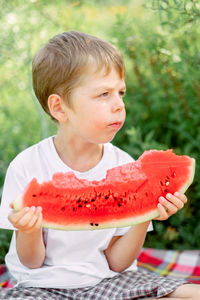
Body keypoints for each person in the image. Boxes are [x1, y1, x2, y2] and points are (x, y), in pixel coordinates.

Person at [0, 31, 199, 300]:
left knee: (189, 293)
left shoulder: (123, 165)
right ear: (59, 108)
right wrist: (29, 231)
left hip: (110, 282)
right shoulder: (27, 166)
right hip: (41, 286)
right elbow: (31, 262)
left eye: (121, 92)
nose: (118, 105)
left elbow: (117, 262)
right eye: (104, 94)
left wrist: (145, 213)